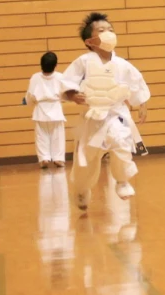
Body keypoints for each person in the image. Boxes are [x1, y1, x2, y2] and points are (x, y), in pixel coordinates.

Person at [62, 12, 150, 211]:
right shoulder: (83, 61)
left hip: (115, 115)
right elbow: (66, 83)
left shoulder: (122, 65)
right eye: (101, 31)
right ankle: (81, 189)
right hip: (91, 119)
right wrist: (72, 95)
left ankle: (122, 180)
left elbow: (137, 84)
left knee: (121, 142)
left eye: (111, 30)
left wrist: (141, 103)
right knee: (85, 164)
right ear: (90, 41)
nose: (108, 33)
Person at [25, 51, 66, 169]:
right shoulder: (59, 77)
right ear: (55, 65)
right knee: (57, 136)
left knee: (41, 136)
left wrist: (29, 103)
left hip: (40, 110)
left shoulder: (35, 77)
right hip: (55, 109)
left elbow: (31, 95)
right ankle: (58, 159)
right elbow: (64, 94)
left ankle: (44, 159)